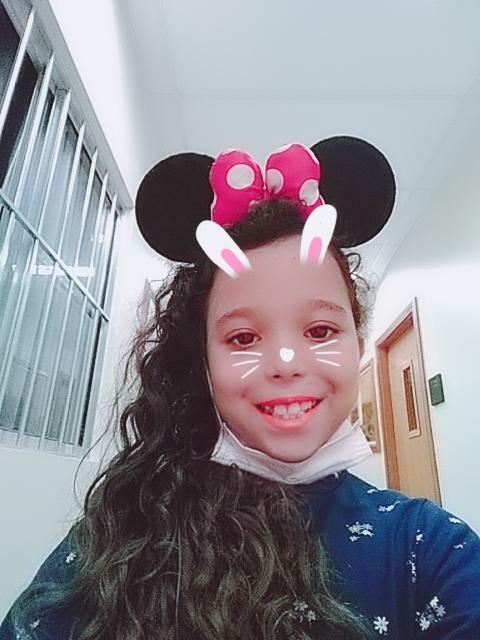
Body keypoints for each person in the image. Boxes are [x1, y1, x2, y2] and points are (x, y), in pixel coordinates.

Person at [1, 137, 479, 640]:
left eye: (320, 330)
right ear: (203, 362)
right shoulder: (124, 532)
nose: (286, 364)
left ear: (356, 345)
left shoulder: (428, 551)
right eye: (244, 338)